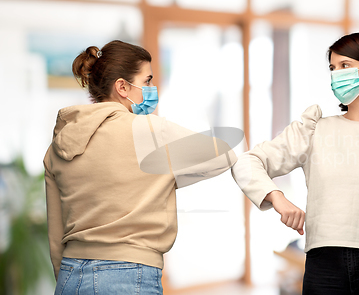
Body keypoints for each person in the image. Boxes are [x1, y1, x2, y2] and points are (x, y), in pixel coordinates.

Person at [231, 33, 359, 294]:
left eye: (345, 66)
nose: (336, 75)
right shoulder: (314, 130)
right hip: (325, 269)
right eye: (332, 68)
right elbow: (247, 162)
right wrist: (277, 198)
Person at [43, 40, 237, 294]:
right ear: (122, 86)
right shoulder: (150, 131)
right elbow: (224, 155)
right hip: (128, 274)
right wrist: (168, 174)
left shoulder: (58, 145)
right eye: (147, 81)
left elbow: (55, 231)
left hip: (70, 276)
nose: (152, 88)